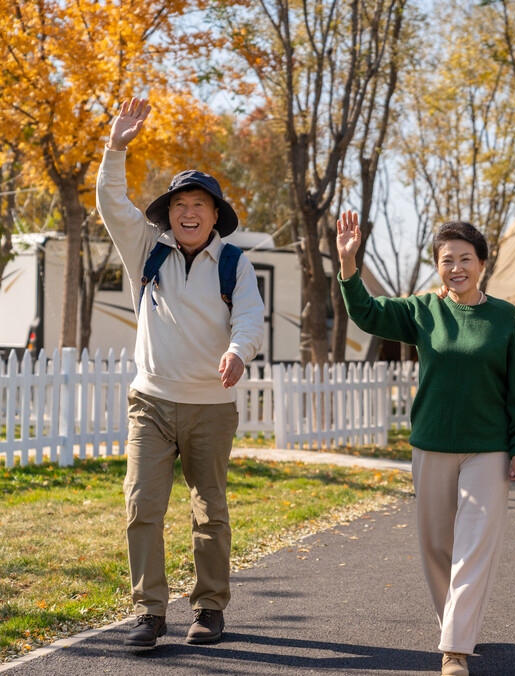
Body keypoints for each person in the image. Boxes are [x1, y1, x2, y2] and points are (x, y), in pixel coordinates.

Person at [96, 98, 265, 648]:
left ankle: (210, 607)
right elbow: (110, 201)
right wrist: (116, 147)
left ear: (216, 215)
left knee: (208, 509)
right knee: (142, 503)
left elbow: (250, 319)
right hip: (150, 401)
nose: (189, 213)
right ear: (167, 214)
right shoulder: (147, 250)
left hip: (211, 407)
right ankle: (149, 611)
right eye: (179, 205)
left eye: (200, 204)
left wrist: (238, 352)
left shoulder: (236, 264)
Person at [335, 212, 515, 676]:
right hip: (431, 445)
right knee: (436, 546)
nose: (456, 267)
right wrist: (348, 264)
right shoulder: (424, 310)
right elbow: (367, 313)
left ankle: (454, 650)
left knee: (474, 545)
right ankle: (456, 625)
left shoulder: (503, 317)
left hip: (488, 448)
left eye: (466, 258)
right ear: (438, 266)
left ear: (482, 263)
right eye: (447, 260)